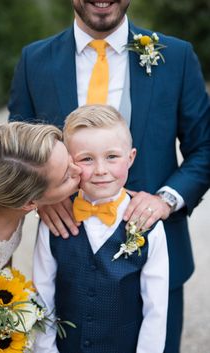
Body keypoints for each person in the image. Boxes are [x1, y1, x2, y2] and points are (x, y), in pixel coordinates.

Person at [8, 1, 210, 351]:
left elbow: (205, 148)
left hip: (160, 258)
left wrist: (165, 200)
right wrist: (43, 197)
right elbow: (16, 155)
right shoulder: (34, 60)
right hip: (65, 260)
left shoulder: (175, 56)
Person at [33, 104, 169, 353]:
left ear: (131, 158)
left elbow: (156, 311)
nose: (101, 170)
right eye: (86, 159)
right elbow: (42, 297)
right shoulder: (53, 221)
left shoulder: (149, 226)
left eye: (112, 157)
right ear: (70, 165)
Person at [0, 121, 80, 278]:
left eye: (69, 159)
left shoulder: (10, 196)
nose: (78, 169)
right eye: (65, 179)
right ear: (29, 203)